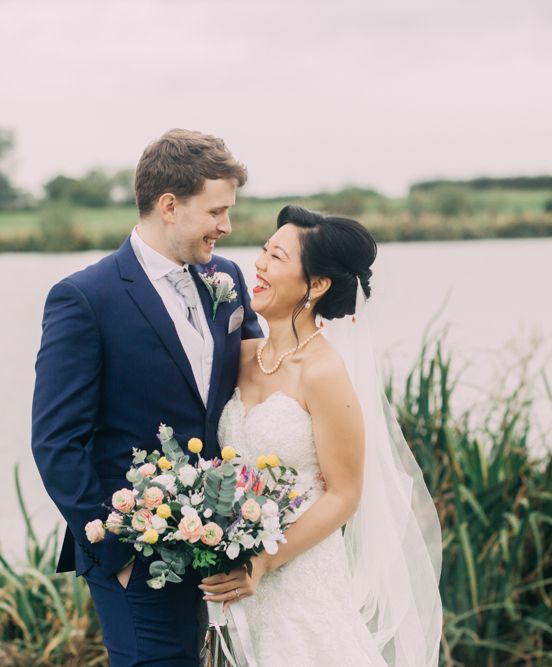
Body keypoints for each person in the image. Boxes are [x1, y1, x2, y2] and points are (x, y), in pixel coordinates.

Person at [31, 128, 262, 666]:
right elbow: (56, 441)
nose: (226, 227)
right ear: (168, 205)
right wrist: (116, 550)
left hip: (223, 548)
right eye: (216, 211)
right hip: (136, 557)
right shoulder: (85, 298)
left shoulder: (224, 278)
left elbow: (256, 378)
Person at [202, 205, 443, 666]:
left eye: (276, 257)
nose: (259, 264)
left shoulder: (325, 372)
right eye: (263, 252)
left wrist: (264, 561)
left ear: (315, 285)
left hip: (300, 578)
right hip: (237, 586)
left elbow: (344, 494)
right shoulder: (242, 354)